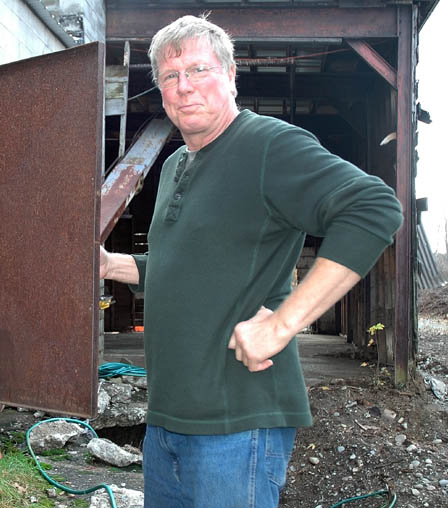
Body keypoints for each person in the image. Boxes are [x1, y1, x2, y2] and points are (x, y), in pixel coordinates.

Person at [99, 14, 403, 507]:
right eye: (171, 77)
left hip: (237, 426)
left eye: (199, 70)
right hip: (167, 423)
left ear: (230, 74)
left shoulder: (269, 145)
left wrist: (284, 323)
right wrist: (110, 264)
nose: (185, 87)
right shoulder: (177, 164)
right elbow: (181, 271)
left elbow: (375, 208)